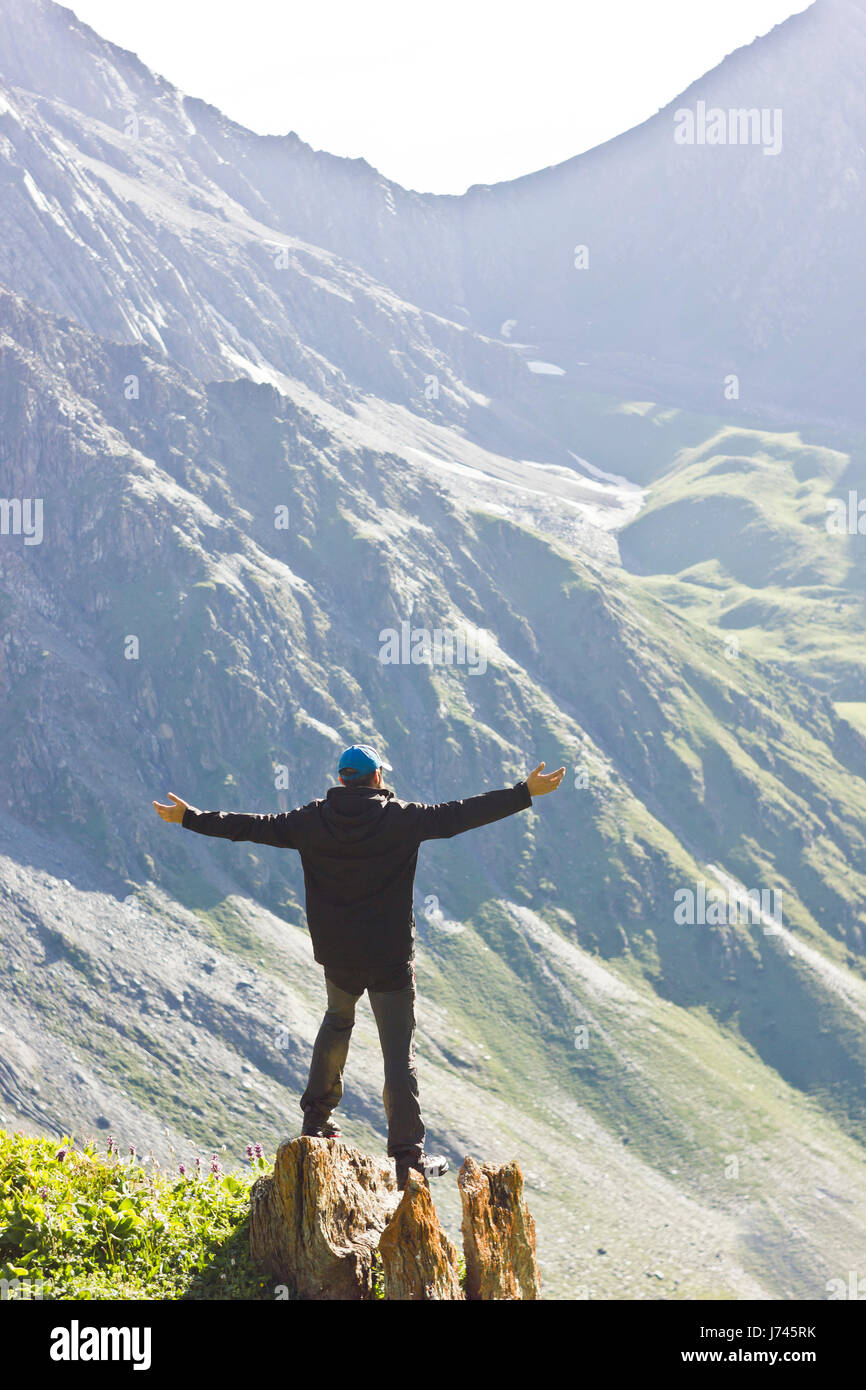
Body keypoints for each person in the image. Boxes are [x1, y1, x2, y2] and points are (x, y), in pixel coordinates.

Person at [154, 745, 565, 1189]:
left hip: (339, 955)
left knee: (337, 1023)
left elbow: (250, 827)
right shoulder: (402, 819)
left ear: (343, 779)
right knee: (398, 1054)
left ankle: (315, 1121)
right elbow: (459, 815)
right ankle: (407, 1156)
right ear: (376, 778)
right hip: (389, 958)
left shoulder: (309, 821)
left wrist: (189, 817)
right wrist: (524, 792)